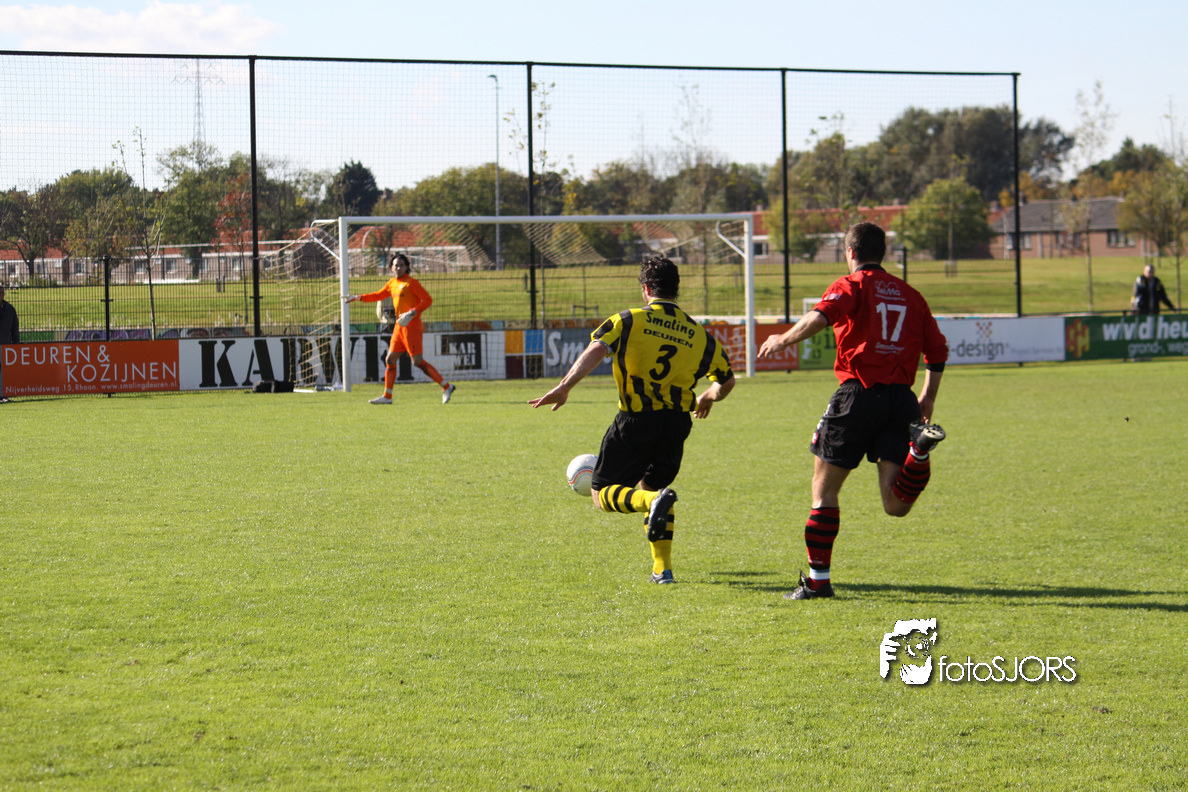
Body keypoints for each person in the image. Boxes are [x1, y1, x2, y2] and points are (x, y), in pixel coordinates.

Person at [757, 221, 949, 600]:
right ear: (883, 253)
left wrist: (783, 338)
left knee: (824, 490)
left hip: (858, 395)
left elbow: (821, 316)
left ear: (850, 252)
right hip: (901, 400)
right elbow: (938, 351)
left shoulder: (851, 285)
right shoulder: (912, 295)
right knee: (895, 504)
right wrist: (927, 398)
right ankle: (919, 453)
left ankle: (818, 582)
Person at [529, 255, 735, 584]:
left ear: (646, 289)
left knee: (602, 494)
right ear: (676, 290)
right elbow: (726, 380)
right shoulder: (701, 336)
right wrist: (709, 396)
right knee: (655, 486)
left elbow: (597, 349)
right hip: (677, 425)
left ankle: (652, 502)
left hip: (637, 419)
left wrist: (565, 386)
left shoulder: (628, 320)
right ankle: (662, 570)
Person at [345, 253, 455, 404]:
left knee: (417, 362)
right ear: (391, 267)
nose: (398, 268)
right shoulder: (391, 283)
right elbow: (378, 295)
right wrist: (358, 297)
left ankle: (447, 387)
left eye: (402, 265)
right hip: (399, 326)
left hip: (412, 326)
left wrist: (413, 312)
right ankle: (387, 396)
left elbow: (427, 300)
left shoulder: (412, 283)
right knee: (390, 359)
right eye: (396, 265)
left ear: (406, 267)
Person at [0, 285, 18, 404]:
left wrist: (15, 343)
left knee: (4, 372)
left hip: (5, 345)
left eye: (2, 292)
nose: (1, 295)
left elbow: (15, 327)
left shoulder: (9, 309)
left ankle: (3, 395)